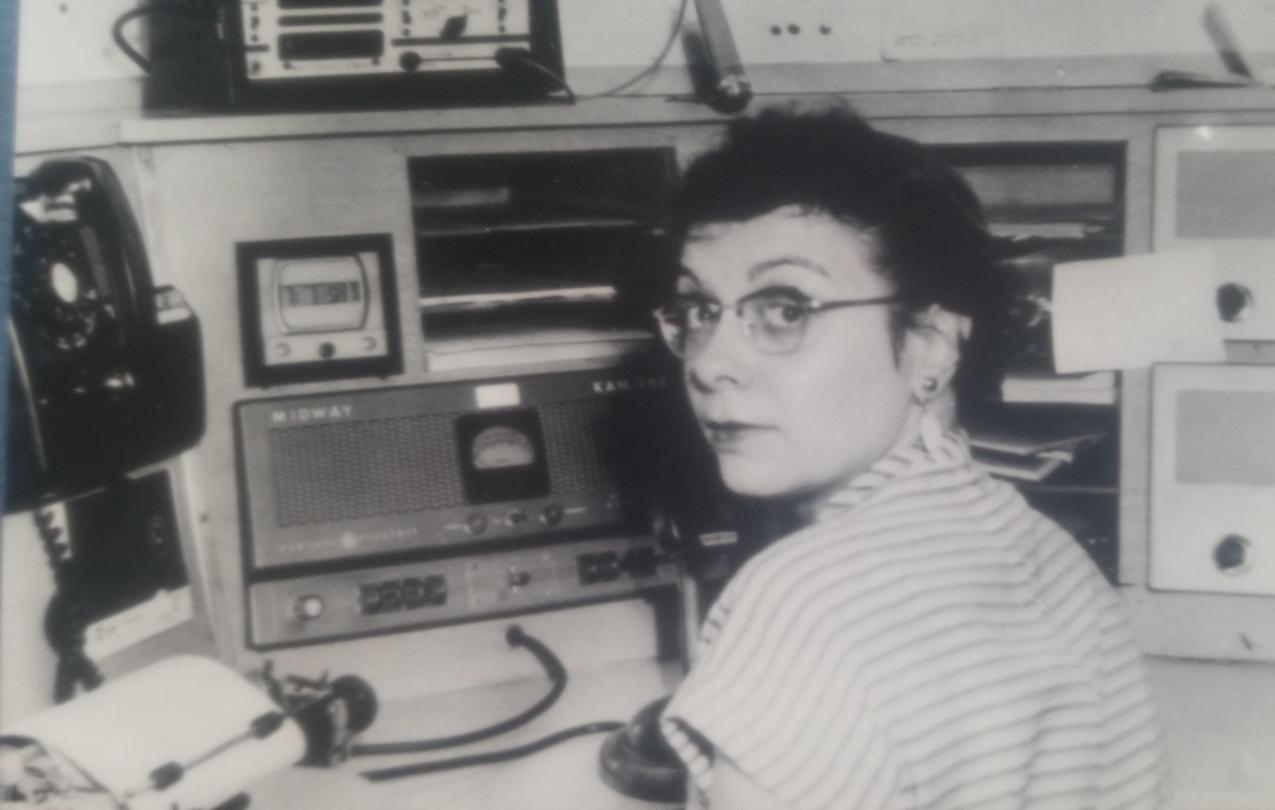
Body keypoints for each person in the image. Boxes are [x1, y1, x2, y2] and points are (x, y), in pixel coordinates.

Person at [651, 106, 1167, 809]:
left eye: (784, 309)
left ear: (927, 343)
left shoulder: (798, 604)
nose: (711, 363)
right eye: (698, 310)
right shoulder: (1041, 546)